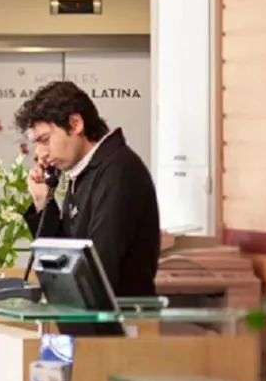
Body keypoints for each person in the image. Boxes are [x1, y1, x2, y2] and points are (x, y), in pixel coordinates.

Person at [17, 80, 161, 297]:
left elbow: (97, 268)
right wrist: (43, 203)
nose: (40, 154)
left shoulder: (118, 170)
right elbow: (64, 261)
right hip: (88, 312)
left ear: (75, 124)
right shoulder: (83, 173)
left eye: (45, 140)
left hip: (119, 315)